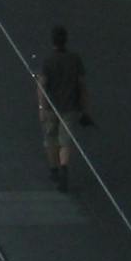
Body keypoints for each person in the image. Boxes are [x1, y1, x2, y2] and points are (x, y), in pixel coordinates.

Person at [36, 25, 91, 192]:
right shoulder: (75, 59)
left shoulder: (48, 61)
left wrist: (41, 107)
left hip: (51, 107)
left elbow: (42, 85)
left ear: (53, 41)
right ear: (66, 40)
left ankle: (54, 169)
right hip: (70, 107)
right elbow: (82, 86)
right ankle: (64, 166)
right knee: (66, 141)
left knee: (50, 139)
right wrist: (85, 108)